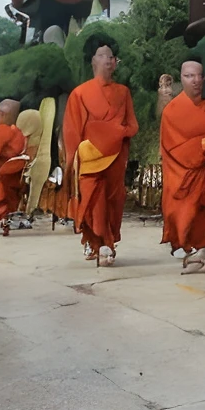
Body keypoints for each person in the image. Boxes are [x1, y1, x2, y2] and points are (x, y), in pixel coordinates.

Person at [62, 35, 139, 266]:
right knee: (93, 200)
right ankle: (102, 244)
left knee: (113, 200)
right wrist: (74, 158)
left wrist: (116, 132)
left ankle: (104, 242)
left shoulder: (123, 92)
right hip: (90, 157)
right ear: (92, 60)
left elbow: (132, 124)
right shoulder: (80, 93)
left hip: (115, 156)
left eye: (111, 56)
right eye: (103, 55)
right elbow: (72, 130)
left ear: (116, 62)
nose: (108, 60)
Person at [159, 60, 205, 271]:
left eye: (199, 76)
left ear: (204, 79)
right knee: (182, 214)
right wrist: (201, 147)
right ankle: (187, 248)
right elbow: (173, 145)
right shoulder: (171, 111)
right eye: (189, 76)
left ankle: (200, 253)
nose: (195, 81)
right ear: (182, 78)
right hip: (182, 172)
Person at [0, 99, 29, 235]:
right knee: (12, 199)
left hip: (1, 173)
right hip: (15, 172)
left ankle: (4, 219)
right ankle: (9, 220)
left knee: (1, 198)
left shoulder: (2, 130)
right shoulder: (18, 132)